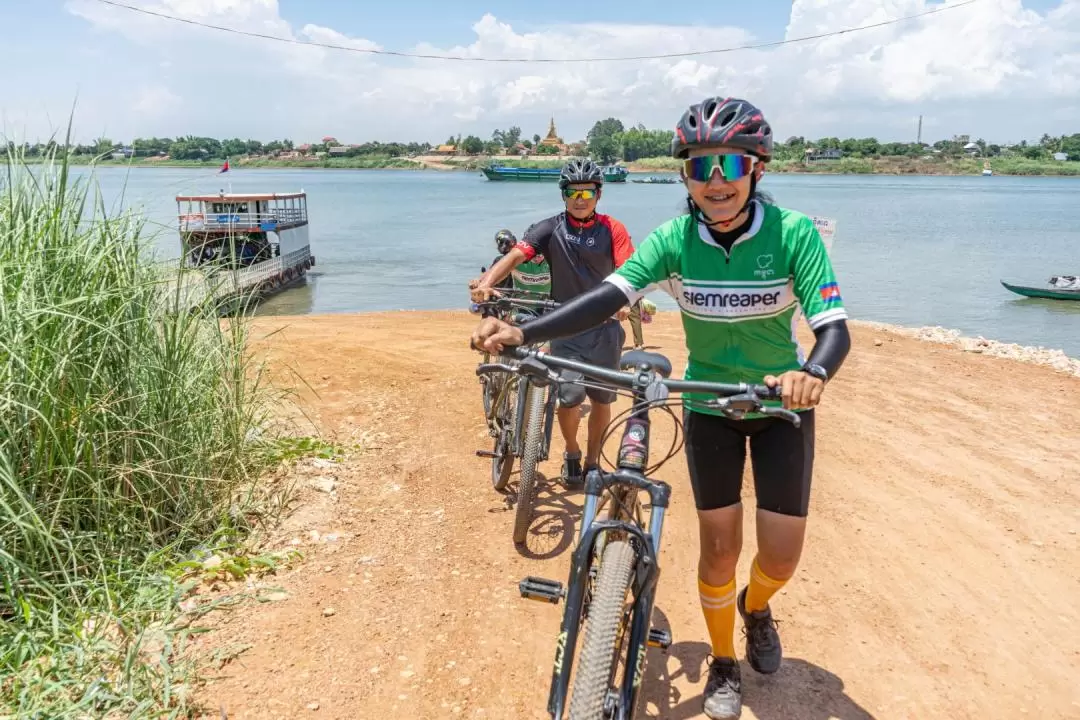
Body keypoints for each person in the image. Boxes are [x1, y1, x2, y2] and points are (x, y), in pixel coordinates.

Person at [471, 96, 851, 719]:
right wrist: (524, 333)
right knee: (719, 548)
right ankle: (725, 664)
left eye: (731, 163)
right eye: (701, 168)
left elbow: (833, 328)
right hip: (708, 404)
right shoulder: (674, 239)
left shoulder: (794, 235)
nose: (717, 180)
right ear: (685, 178)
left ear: (757, 168)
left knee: (780, 556)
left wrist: (810, 373)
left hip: (779, 405)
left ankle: (756, 607)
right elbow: (605, 297)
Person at [469, 158, 634, 487]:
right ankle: (572, 452)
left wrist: (627, 301)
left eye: (587, 193)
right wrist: (487, 282)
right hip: (564, 327)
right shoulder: (549, 228)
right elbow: (515, 256)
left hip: (605, 329)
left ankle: (592, 461)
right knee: (569, 397)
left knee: (602, 400)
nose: (580, 200)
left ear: (598, 195)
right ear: (563, 195)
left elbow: (628, 269)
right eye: (573, 193)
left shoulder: (613, 229)